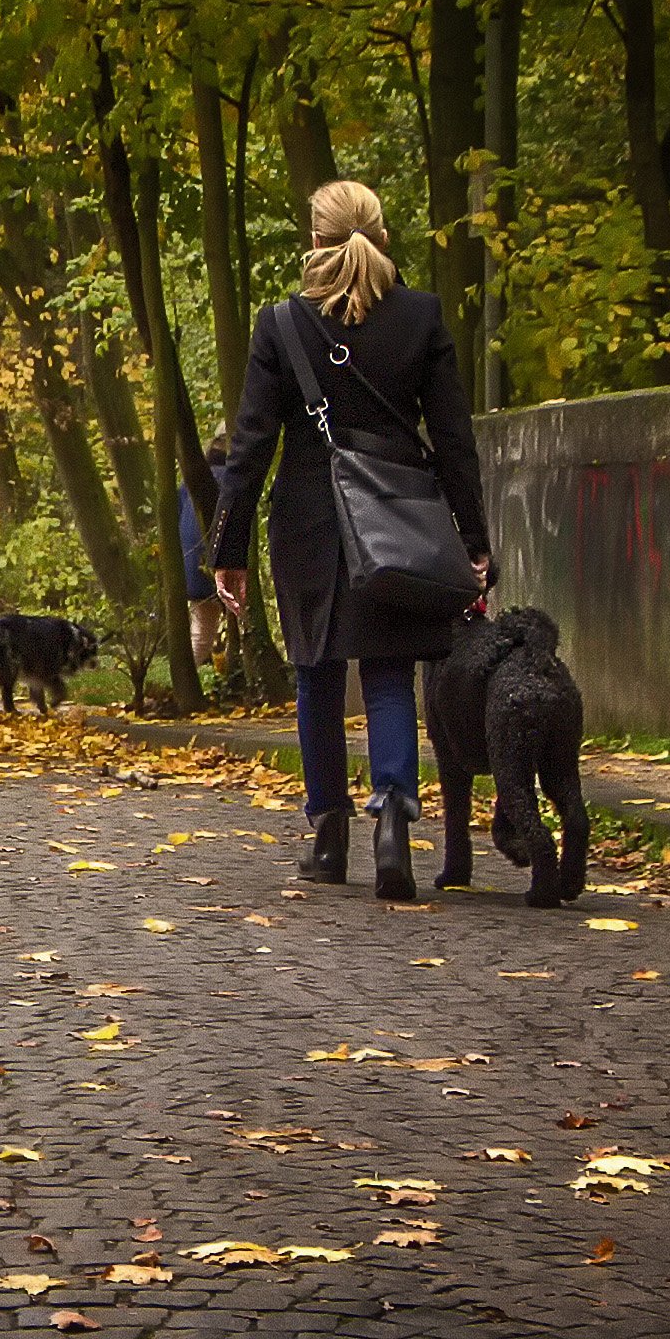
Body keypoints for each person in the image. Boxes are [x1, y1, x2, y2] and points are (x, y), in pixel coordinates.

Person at [209, 180, 490, 901]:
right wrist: (472, 537)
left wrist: (226, 550)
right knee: (390, 669)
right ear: (381, 234)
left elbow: (249, 447)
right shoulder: (421, 316)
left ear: (314, 238)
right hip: (394, 515)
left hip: (307, 518)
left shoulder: (280, 324)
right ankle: (393, 822)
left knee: (317, 673)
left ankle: (328, 838)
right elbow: (454, 441)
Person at [180, 431, 232, 677]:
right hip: (216, 562)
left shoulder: (191, 482)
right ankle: (230, 674)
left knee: (201, 629)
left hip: (190, 564)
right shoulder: (229, 481)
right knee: (229, 625)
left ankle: (186, 676)